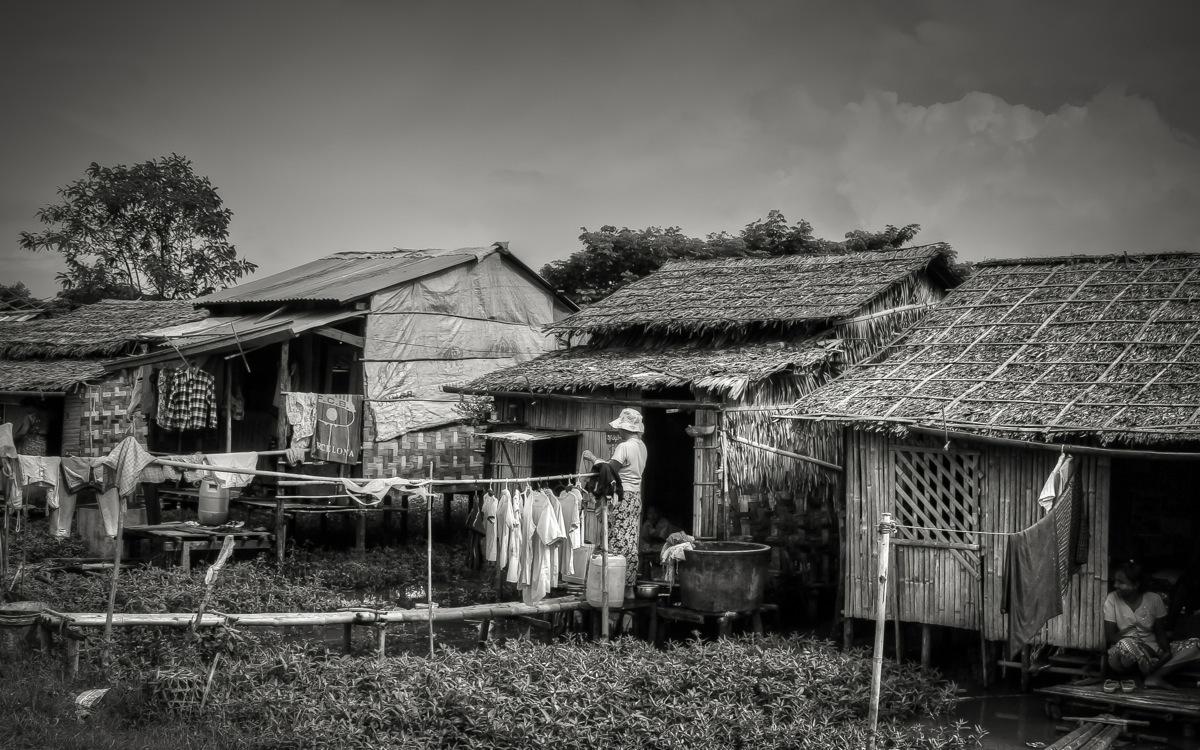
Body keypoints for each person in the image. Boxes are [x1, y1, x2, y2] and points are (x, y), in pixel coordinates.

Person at [1101, 560, 1200, 691]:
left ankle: (1154, 676)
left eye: (1121, 582)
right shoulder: (1112, 599)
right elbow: (1111, 636)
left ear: (1136, 585)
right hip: (1122, 651)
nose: (1115, 585)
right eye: (1115, 581)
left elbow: (1160, 633)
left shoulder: (1154, 599)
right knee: (1126, 647)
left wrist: (1166, 652)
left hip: (1152, 650)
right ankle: (1145, 666)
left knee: (1196, 645)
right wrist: (1136, 648)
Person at [582, 407, 647, 589]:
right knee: (630, 541)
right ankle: (628, 587)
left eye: (619, 428)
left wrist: (593, 458)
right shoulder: (642, 447)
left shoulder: (624, 446)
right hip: (635, 497)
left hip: (622, 497)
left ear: (625, 428)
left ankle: (613, 587)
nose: (618, 431)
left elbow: (609, 472)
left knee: (616, 540)